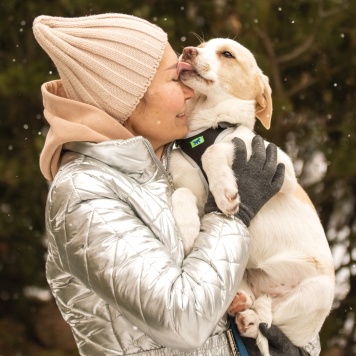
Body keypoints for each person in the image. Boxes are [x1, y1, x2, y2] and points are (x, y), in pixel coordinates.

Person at [32, 13, 317, 356]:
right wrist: (233, 217)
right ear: (126, 97)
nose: (188, 88)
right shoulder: (83, 193)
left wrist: (296, 342)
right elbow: (182, 319)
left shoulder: (171, 160)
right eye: (174, 79)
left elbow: (268, 266)